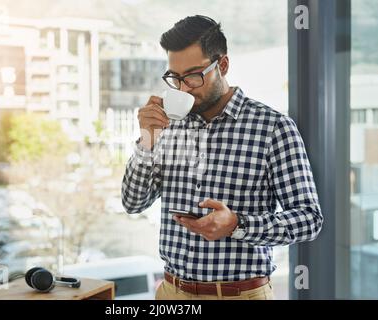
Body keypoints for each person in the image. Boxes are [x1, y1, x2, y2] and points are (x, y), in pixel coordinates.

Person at [121, 15, 323, 300]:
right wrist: (146, 142)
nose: (184, 88)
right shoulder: (167, 126)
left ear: (223, 65)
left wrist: (237, 225)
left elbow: (308, 219)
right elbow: (132, 203)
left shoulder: (273, 127)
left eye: (192, 75)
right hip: (171, 293)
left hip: (239, 294)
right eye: (175, 78)